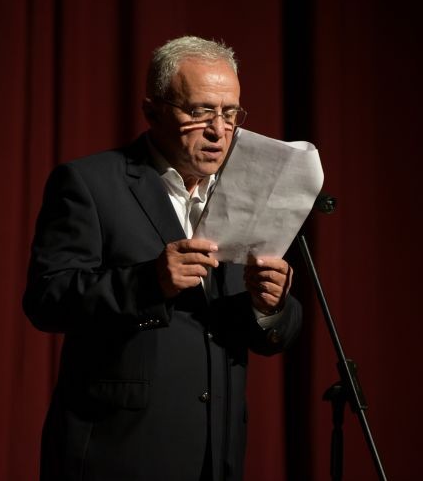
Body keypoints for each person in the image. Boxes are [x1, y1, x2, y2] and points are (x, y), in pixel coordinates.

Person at [23, 36, 302, 481]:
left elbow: (268, 333)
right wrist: (149, 283)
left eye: (230, 113)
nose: (218, 130)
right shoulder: (89, 183)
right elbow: (46, 299)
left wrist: (270, 307)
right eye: (200, 111)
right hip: (119, 453)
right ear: (152, 111)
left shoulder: (246, 191)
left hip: (217, 453)